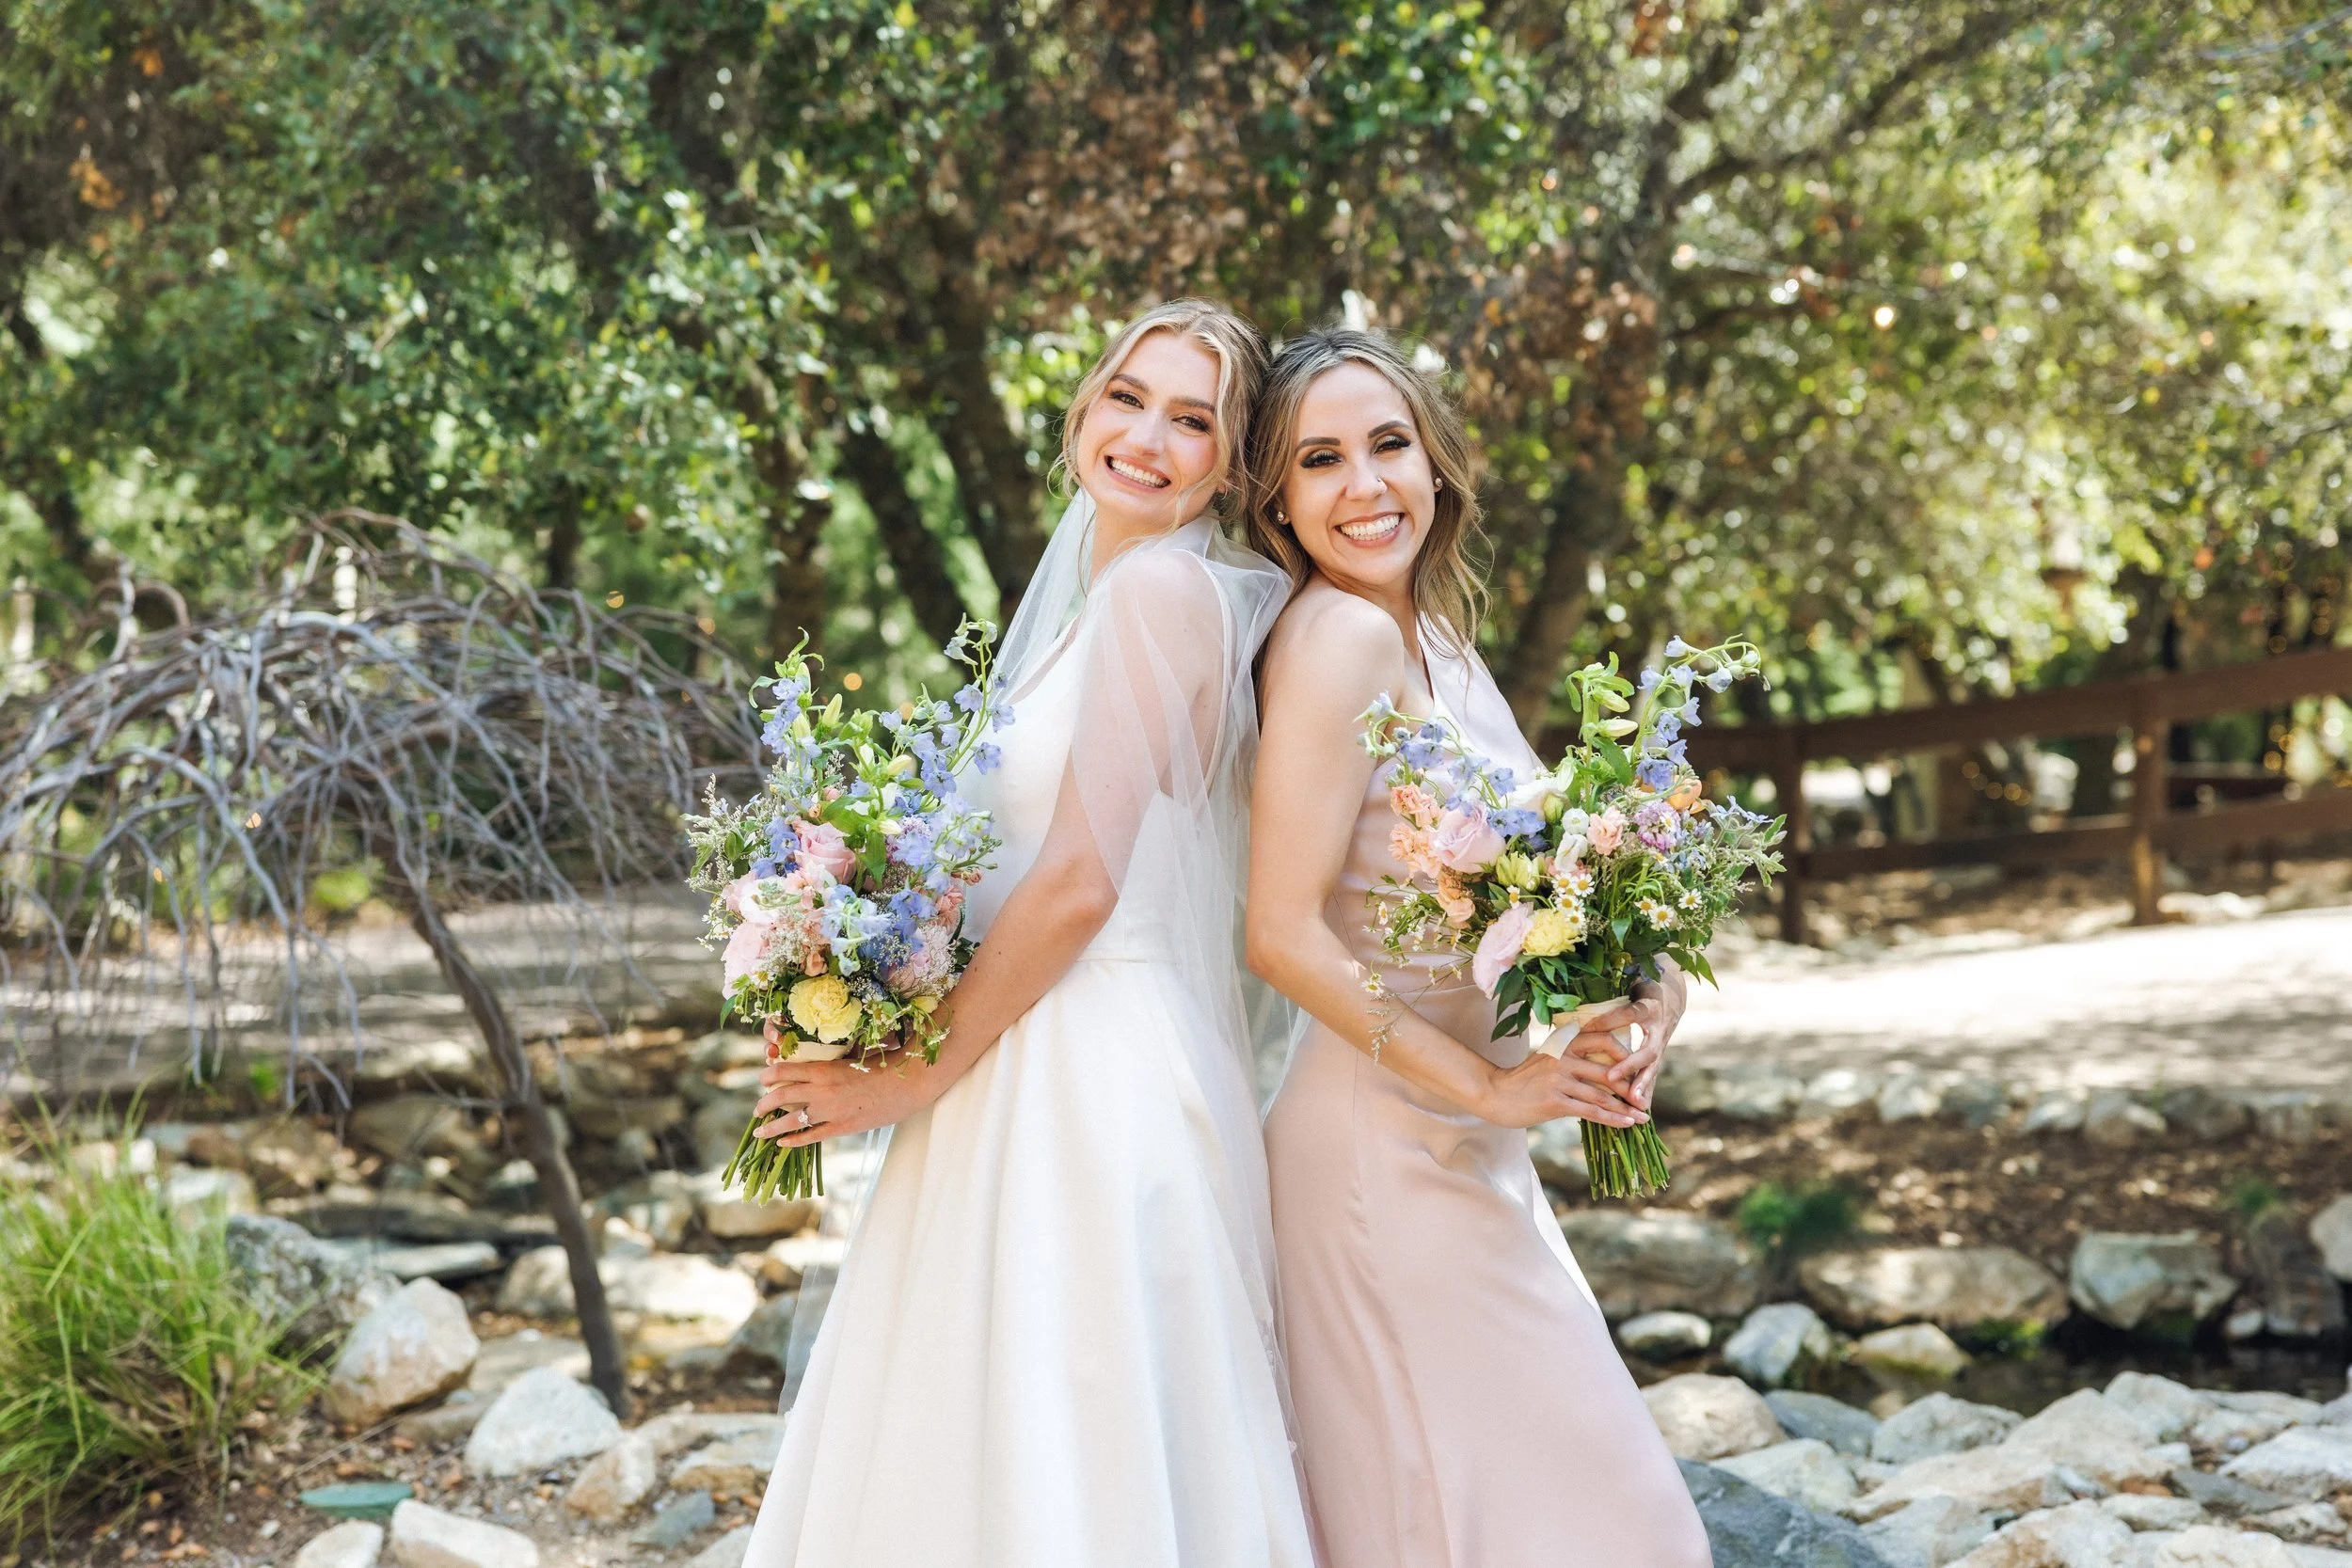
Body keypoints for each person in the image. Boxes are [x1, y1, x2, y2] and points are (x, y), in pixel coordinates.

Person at [736, 300, 1318, 1568]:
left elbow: (1078, 884)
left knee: (1061, 1431)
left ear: (1232, 466)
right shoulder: (1103, 600)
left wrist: (912, 1070)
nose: (1146, 439)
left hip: (1084, 1078)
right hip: (1032, 1044)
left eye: (1193, 422)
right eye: (1128, 398)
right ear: (1084, 407)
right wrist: (857, 960)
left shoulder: (1161, 591)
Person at [1244, 325, 1710, 1568]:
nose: (1365, 484)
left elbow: (1544, 879)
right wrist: (1492, 1088)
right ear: (1278, 503)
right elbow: (1279, 932)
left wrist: (1644, 990)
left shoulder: (1433, 636)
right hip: (1378, 1150)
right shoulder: (1338, 639)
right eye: (1320, 461)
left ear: (1434, 462)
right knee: (1604, 1524)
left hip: (1467, 1142)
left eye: (1388, 444)